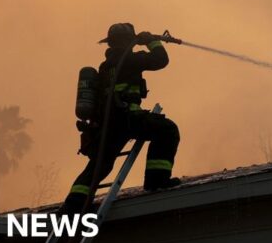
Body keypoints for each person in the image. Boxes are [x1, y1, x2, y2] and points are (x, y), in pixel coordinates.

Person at [58, 23, 181, 215]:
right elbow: (160, 60)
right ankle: (156, 180)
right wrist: (151, 41)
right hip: (128, 118)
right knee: (167, 130)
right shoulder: (130, 60)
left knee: (101, 164)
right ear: (128, 42)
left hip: (108, 124)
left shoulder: (105, 67)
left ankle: (74, 203)